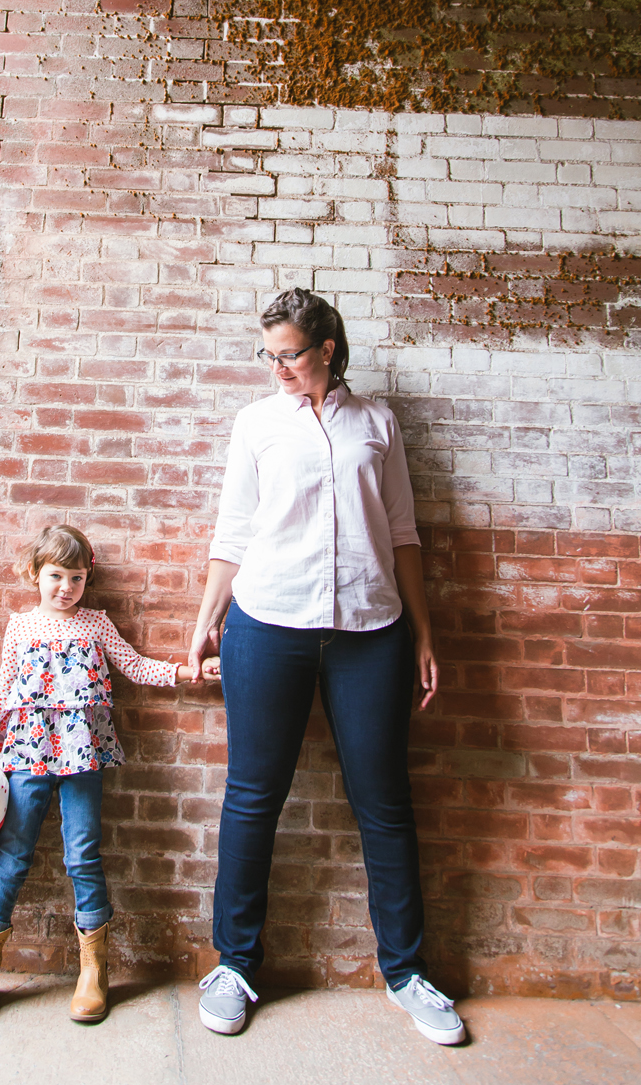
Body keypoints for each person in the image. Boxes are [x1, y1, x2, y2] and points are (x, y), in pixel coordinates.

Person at [187, 288, 464, 1047]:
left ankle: (407, 973)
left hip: (370, 631)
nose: (278, 367)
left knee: (385, 802)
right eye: (269, 353)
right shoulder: (256, 425)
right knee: (253, 796)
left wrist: (423, 635)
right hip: (266, 624)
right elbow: (235, 529)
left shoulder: (377, 423)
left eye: (290, 353)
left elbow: (402, 532)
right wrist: (206, 623)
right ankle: (235, 965)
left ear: (328, 350)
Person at [0, 523, 206, 1027]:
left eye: (77, 578)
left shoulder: (95, 624)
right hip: (25, 753)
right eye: (56, 576)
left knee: (83, 854)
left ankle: (94, 970)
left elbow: (132, 665)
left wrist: (183, 671)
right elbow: (4, 688)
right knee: (14, 856)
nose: (66, 588)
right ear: (35, 574)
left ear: (88, 580)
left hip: (83, 757)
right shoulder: (20, 626)